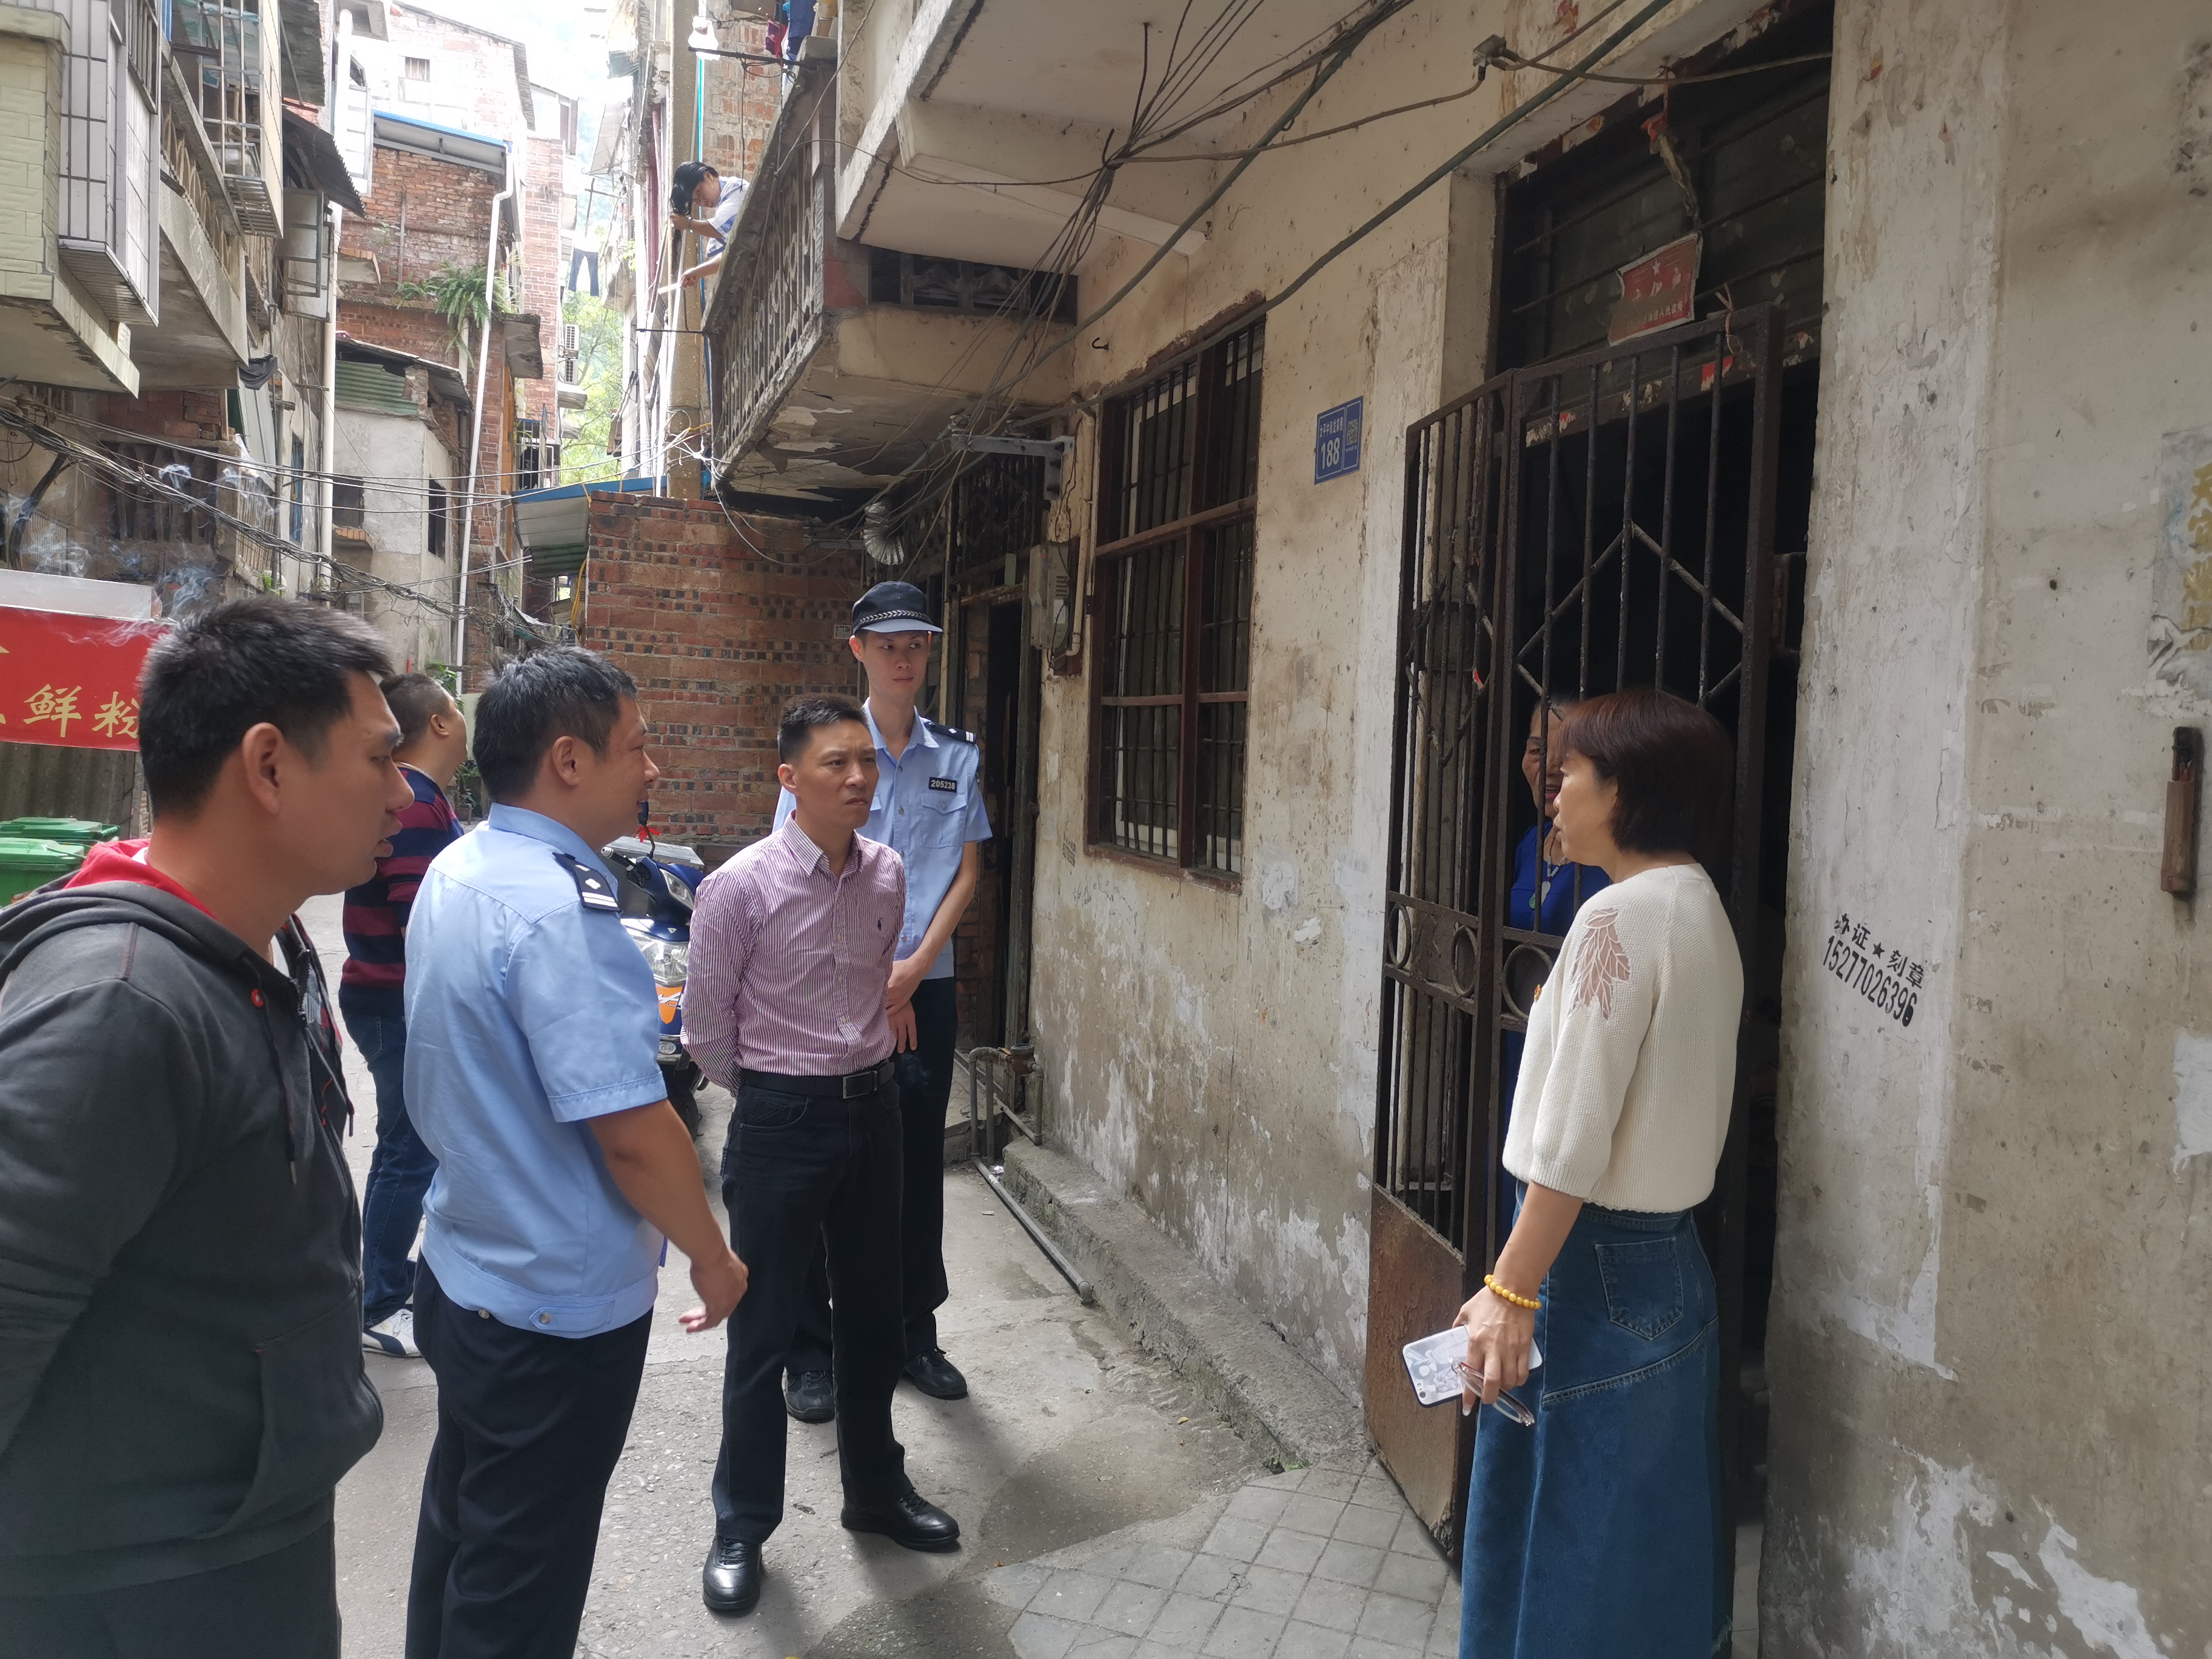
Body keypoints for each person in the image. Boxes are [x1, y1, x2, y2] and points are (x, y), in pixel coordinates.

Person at [0, 597, 408, 1658]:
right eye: (380, 758)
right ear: (269, 766)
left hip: (240, 1527)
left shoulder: (261, 946)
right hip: (136, 1583)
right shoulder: (121, 1005)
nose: (405, 793)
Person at [400, 647, 747, 1659]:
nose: (652, 769)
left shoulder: (461, 867)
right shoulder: (561, 912)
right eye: (636, 748)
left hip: (466, 1271)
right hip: (550, 1317)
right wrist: (714, 1257)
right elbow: (634, 1134)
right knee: (520, 1589)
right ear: (567, 760)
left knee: (464, 1535)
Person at [1455, 687, 1743, 1658]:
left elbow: (1573, 1147)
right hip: (1670, 1263)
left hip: (1591, 1267)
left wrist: (1509, 1290)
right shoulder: (1699, 905)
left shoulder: (1614, 919)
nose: (1554, 789)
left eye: (1571, 770)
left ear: (1626, 790)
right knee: (1644, 1537)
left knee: (1567, 1534)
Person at [685, 694, 961, 1620]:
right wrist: (776, 1097)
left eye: (865, 762)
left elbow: (879, 985)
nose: (856, 778)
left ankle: (876, 1491)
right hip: (781, 1122)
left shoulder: (887, 873)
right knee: (762, 1329)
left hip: (874, 1113)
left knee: (875, 1317)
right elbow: (705, 1032)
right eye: (835, 763)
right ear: (789, 779)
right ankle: (742, 1524)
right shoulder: (741, 888)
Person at [773, 580, 990, 1421]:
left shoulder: (957, 756)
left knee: (912, 1166)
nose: (904, 658)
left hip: (922, 989)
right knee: (822, 1165)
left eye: (917, 643)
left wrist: (913, 967)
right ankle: (810, 1351)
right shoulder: (828, 747)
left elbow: (966, 869)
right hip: (834, 988)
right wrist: (876, 978)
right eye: (888, 643)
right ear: (858, 650)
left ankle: (912, 1333)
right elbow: (794, 870)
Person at [342, 672, 470, 1359]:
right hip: (395, 1000)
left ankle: (391, 1279)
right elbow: (423, 922)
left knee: (412, 1146)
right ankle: (380, 1302)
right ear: (441, 724)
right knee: (408, 1151)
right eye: (456, 707)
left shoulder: (426, 799)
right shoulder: (417, 803)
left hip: (391, 996)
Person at [1495, 697, 1609, 1230]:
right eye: (1537, 749)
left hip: (1577, 1043)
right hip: (1520, 1033)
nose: (1548, 766)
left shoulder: (1609, 859)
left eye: (1567, 754)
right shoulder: (1528, 844)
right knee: (1517, 1167)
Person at [666, 159, 745, 287]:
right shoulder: (724, 202)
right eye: (696, 200)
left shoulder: (737, 189)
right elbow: (732, 254)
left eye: (699, 192)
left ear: (708, 177)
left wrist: (688, 224)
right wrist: (698, 272)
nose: (702, 201)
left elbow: (719, 229)